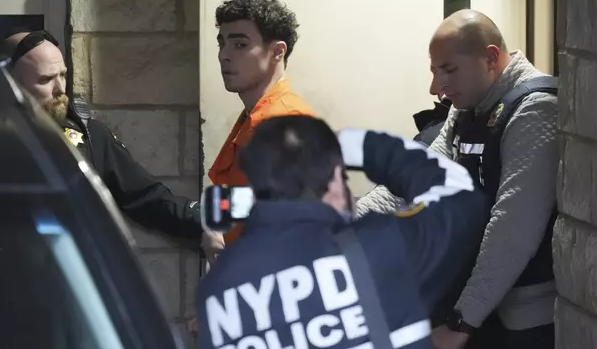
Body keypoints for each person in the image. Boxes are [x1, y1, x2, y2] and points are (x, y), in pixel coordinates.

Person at [196, 114, 489, 349]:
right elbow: (462, 196)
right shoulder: (383, 249)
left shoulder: (217, 292)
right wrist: (357, 145)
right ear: (336, 180)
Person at [357, 9, 558, 349]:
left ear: (490, 58)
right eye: (435, 71)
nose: (437, 87)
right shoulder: (467, 107)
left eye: (449, 70)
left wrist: (461, 322)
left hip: (523, 318)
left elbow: (513, 229)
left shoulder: (535, 110)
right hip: (477, 304)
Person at [0, 30, 205, 245]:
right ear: (9, 82)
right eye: (46, 79)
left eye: (62, 75)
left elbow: (145, 198)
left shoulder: (88, 135)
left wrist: (201, 222)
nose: (60, 89)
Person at [203, 0, 315, 261]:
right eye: (222, 43)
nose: (224, 56)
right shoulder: (257, 116)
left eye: (240, 45)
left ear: (277, 52)